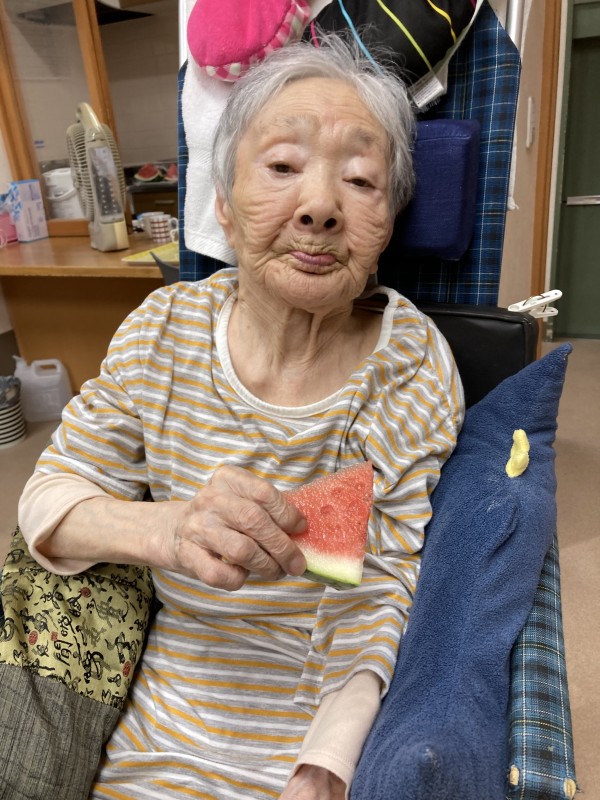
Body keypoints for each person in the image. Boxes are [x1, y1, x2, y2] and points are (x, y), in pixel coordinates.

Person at [18, 34, 464, 800]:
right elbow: (48, 500)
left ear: (389, 221)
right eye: (283, 167)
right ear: (222, 205)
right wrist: (169, 531)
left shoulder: (408, 366)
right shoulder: (163, 333)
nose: (319, 207)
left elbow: (379, 584)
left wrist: (324, 765)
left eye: (361, 180)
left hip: (309, 734)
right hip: (151, 729)